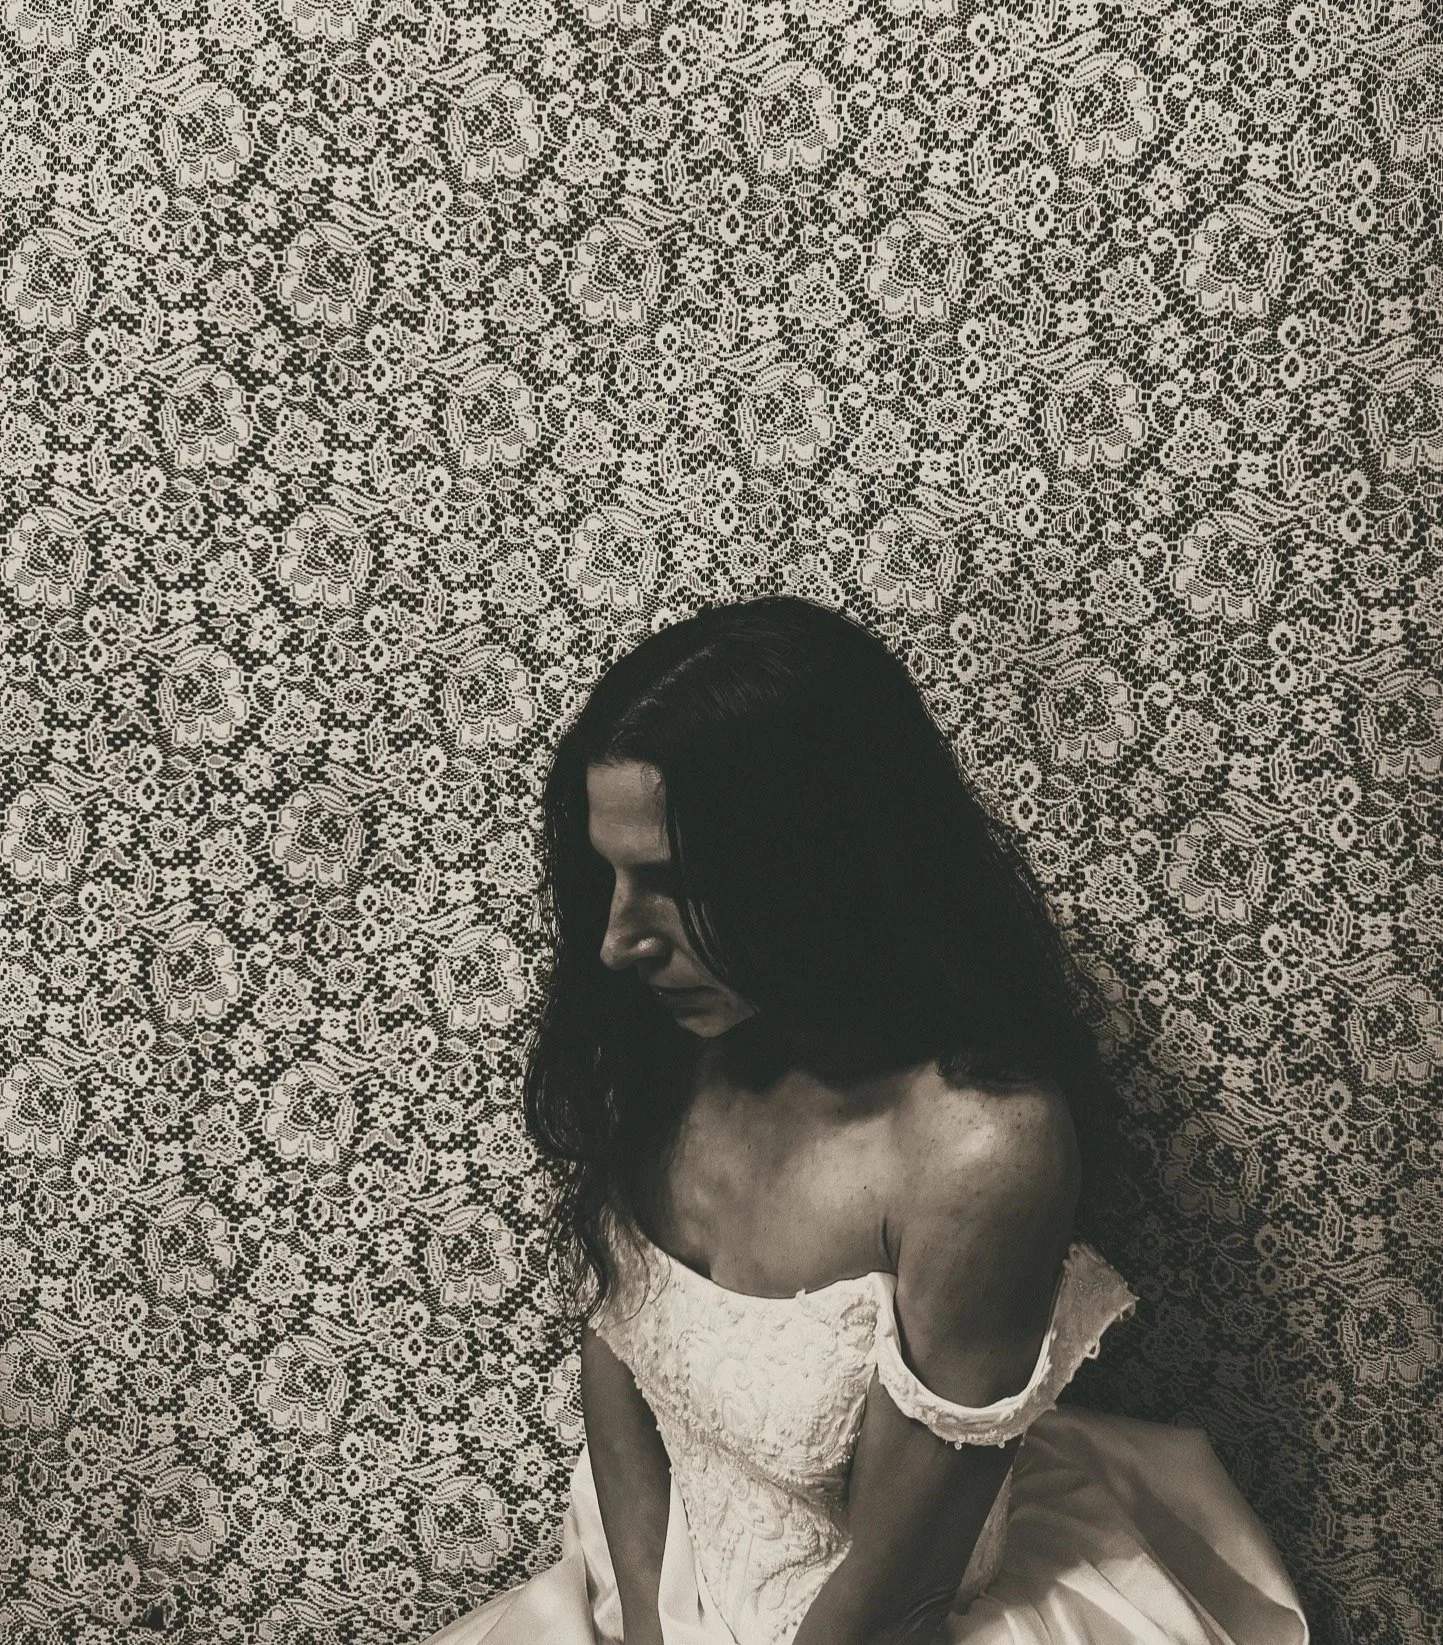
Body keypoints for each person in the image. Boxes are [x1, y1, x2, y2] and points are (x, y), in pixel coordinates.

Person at [422, 597, 1310, 1645]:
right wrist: (653, 1622)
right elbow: (615, 1356)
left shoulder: (978, 1148)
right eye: (607, 875)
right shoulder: (666, 1042)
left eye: (670, 883)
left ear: (816, 862)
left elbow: (897, 1594)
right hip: (662, 1582)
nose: (618, 941)